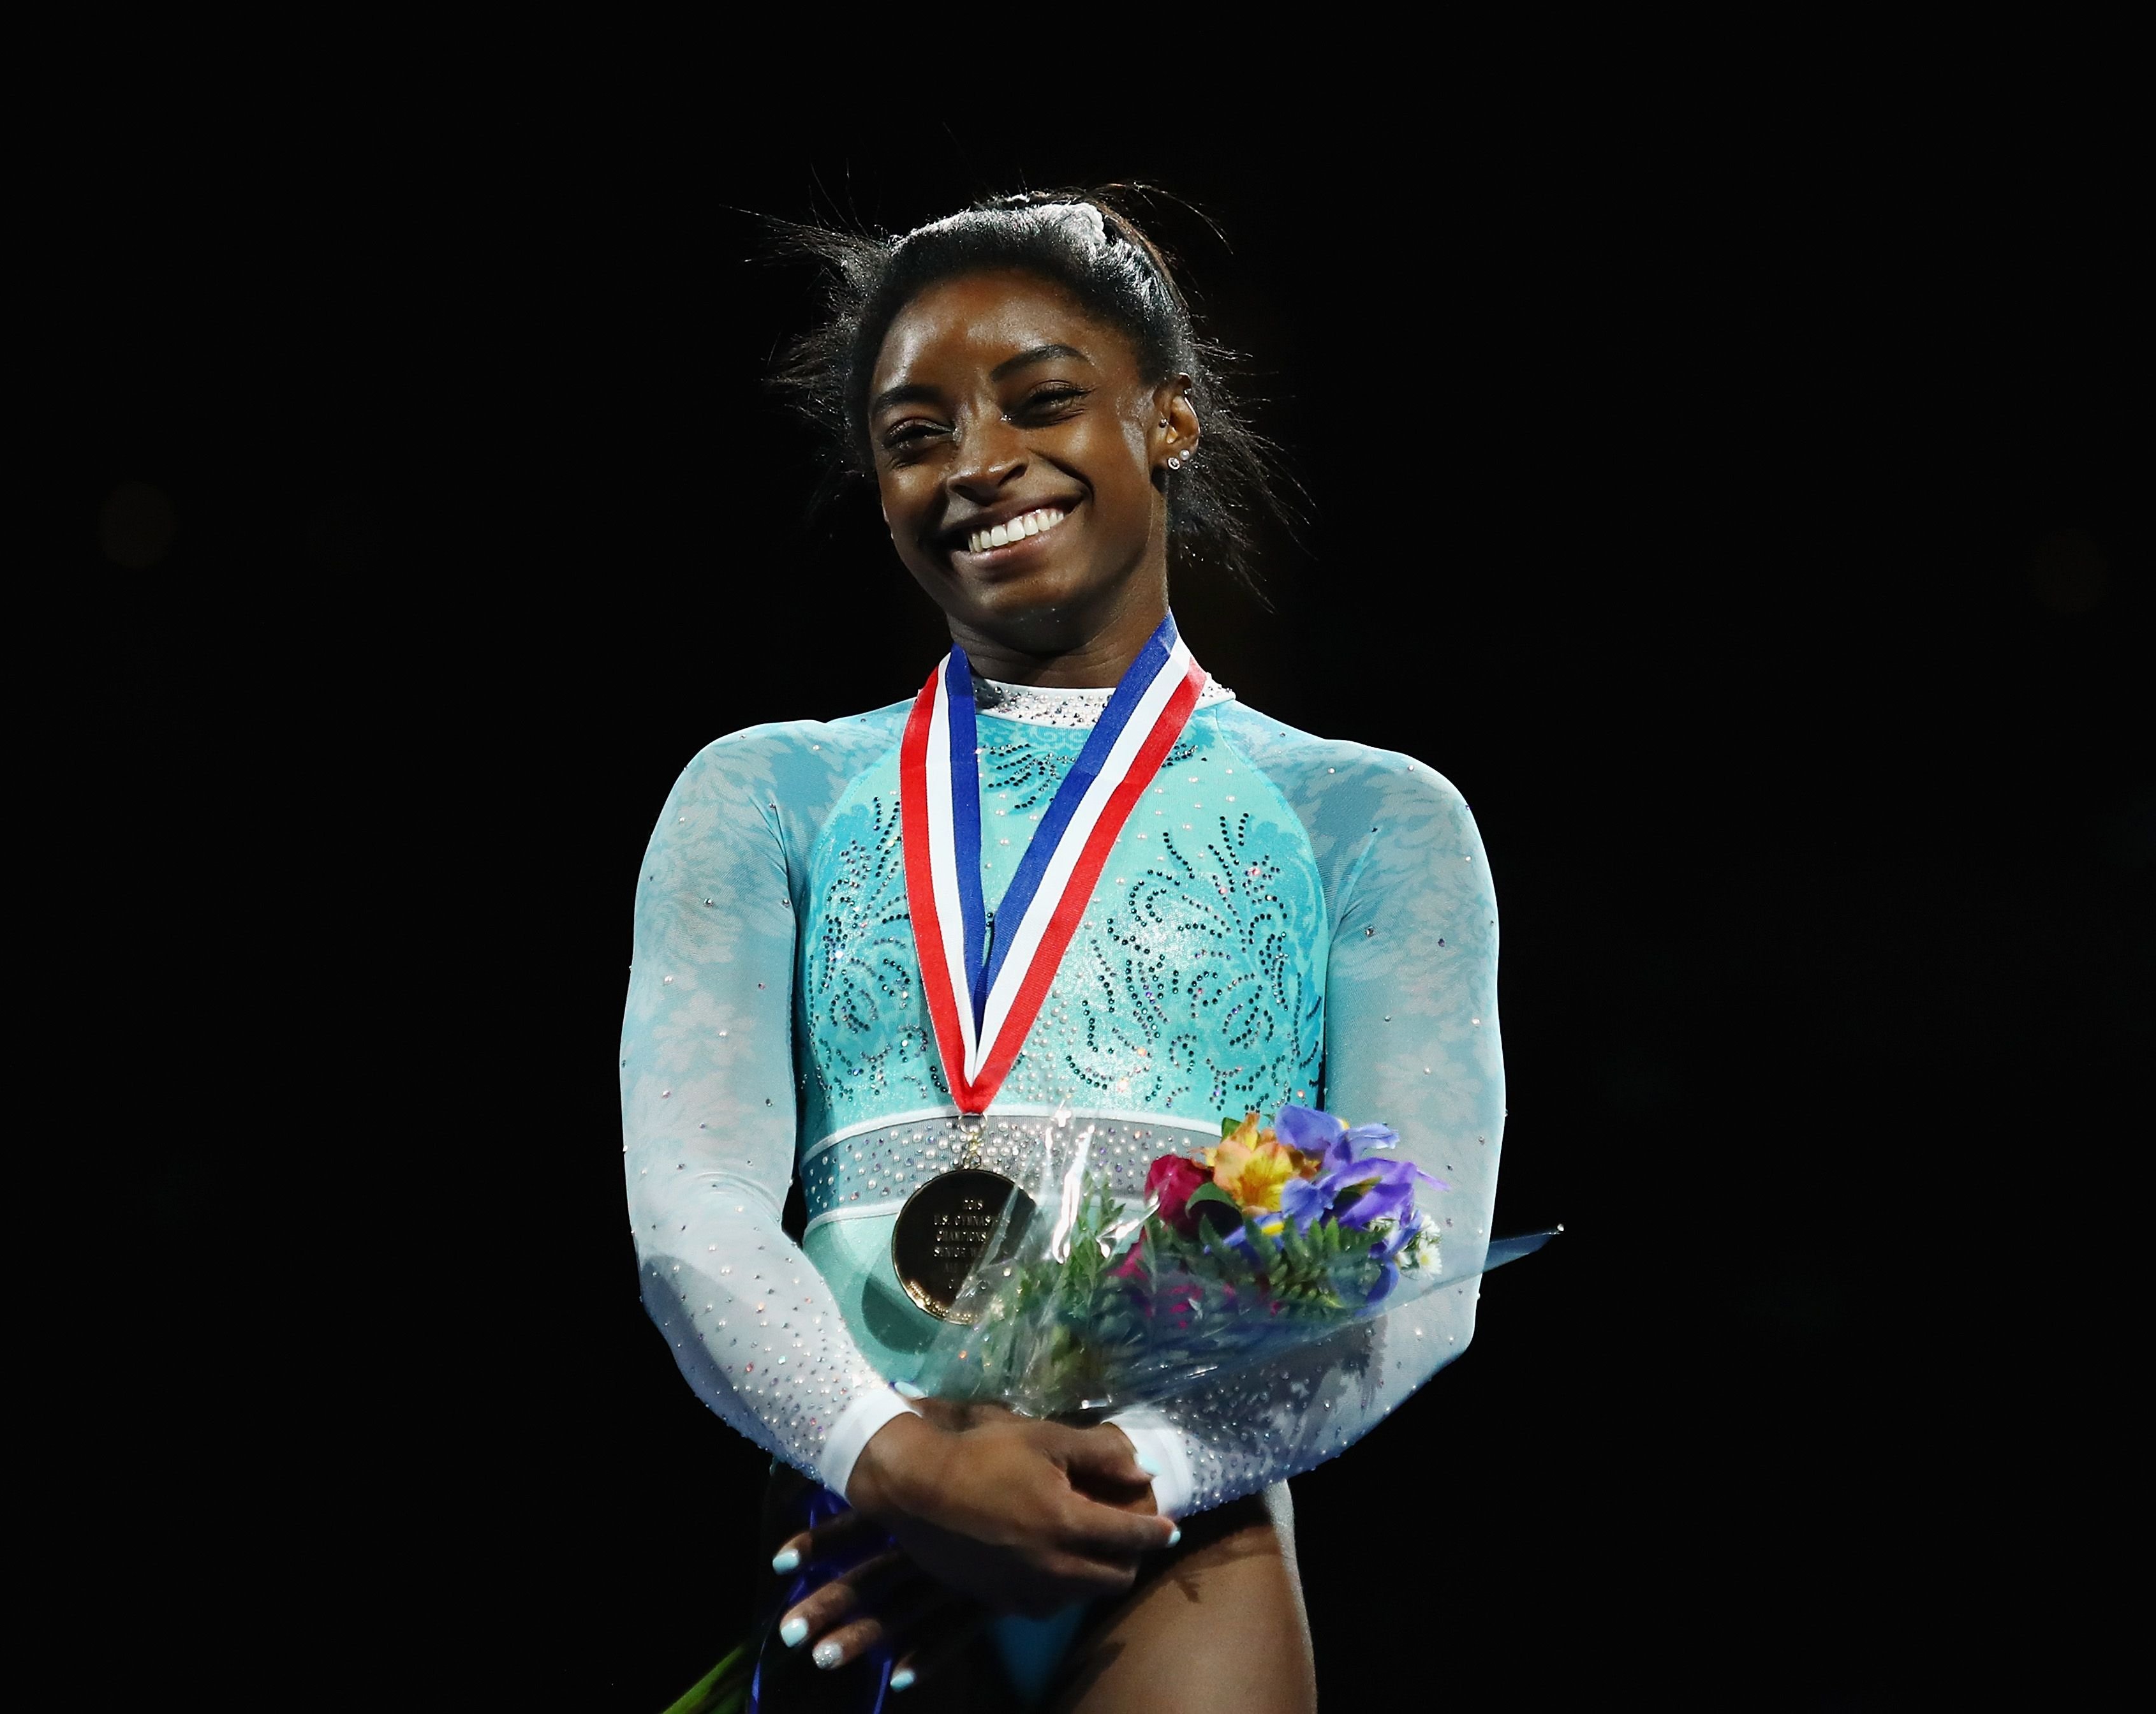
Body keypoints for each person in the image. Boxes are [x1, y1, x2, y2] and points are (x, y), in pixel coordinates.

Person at [624, 192, 1505, 1711]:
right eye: (914, 434)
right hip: (858, 1534)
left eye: (1041, 402)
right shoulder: (766, 795)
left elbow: (1417, 1273)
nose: (978, 465)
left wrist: (1125, 1473)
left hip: (1170, 1544)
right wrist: (894, 1461)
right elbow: (688, 1208)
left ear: (1168, 419)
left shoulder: (1366, 821)